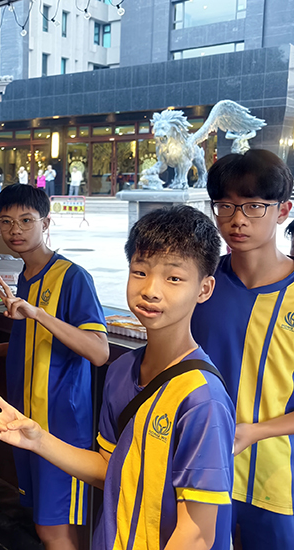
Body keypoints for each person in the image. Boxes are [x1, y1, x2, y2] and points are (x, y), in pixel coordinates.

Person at [0, 205, 236, 550]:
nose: (151, 290)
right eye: (140, 272)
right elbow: (110, 467)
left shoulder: (202, 398)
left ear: (204, 288)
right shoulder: (123, 370)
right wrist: (38, 440)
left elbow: (197, 533)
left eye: (174, 278)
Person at [0, 184, 108, 550]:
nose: (15, 230)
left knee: (52, 529)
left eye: (26, 220)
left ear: (46, 223)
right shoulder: (25, 275)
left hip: (61, 427)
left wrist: (38, 313)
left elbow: (98, 351)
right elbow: (39, 341)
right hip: (29, 422)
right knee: (54, 525)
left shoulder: (72, 277)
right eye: (6, 222)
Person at [190, 149, 294, 550]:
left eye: (254, 206)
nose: (237, 220)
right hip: (200, 467)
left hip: (276, 479)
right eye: (226, 206)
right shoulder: (200, 284)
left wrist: (256, 431)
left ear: (283, 210)